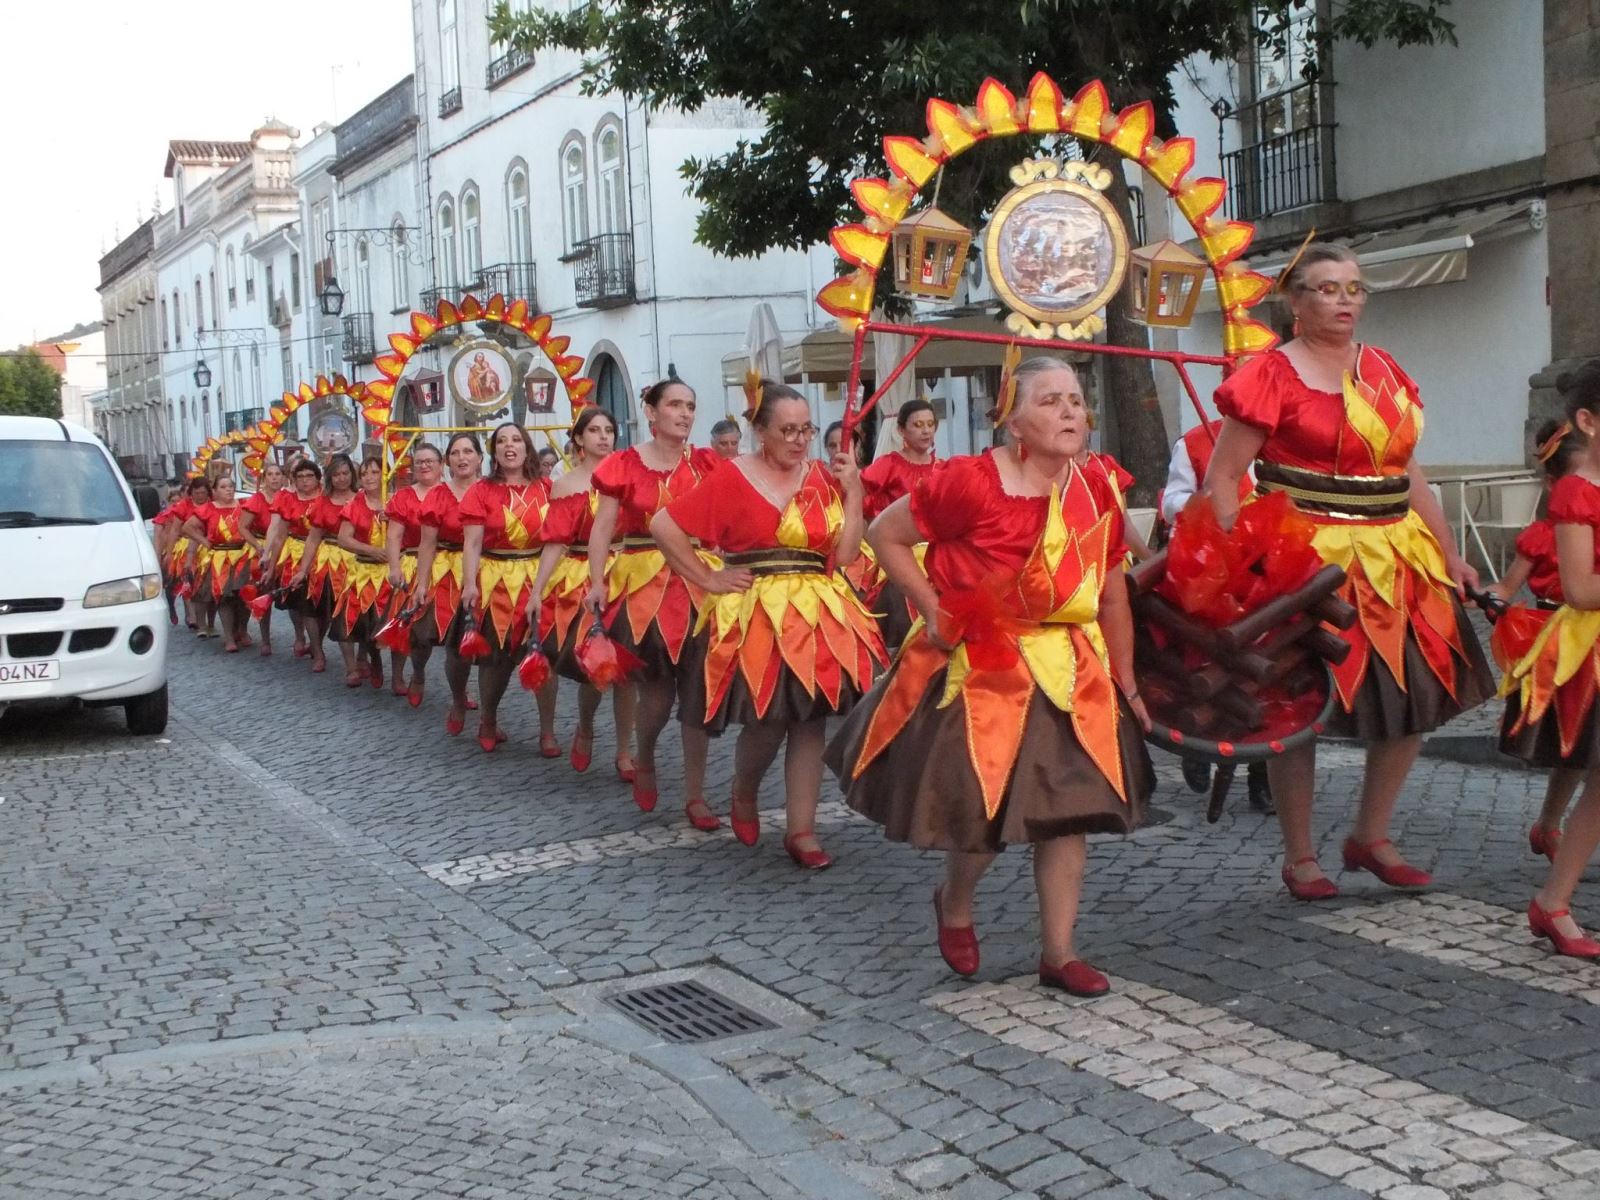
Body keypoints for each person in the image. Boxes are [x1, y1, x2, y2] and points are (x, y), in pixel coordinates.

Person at [827, 356, 1153, 996]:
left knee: (1070, 812)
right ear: (1012, 420)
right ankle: (954, 900)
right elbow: (888, 539)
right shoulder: (970, 482)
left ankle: (1059, 952)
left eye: (1075, 400)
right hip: (984, 671)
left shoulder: (1097, 490)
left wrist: (1129, 682)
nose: (1069, 411)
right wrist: (933, 607)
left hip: (1071, 674)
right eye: (1050, 400)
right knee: (983, 811)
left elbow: (1112, 595)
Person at [1204, 244, 1493, 901]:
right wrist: (1246, 562)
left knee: (1414, 699)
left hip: (1398, 557)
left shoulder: (1385, 369)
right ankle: (1300, 856)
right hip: (1309, 561)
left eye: (1354, 288)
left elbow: (1407, 470)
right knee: (1297, 706)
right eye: (1328, 288)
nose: (1345, 300)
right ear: (1295, 301)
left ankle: (1371, 834)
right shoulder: (1270, 374)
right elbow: (1224, 479)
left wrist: (1449, 553)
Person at [653, 382, 886, 865]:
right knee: (767, 718)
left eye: (806, 429)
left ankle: (802, 831)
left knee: (810, 720)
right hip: (755, 613)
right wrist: (707, 577)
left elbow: (844, 555)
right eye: (787, 430)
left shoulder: (825, 477)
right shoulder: (731, 477)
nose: (799, 440)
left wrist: (855, 492)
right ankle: (745, 788)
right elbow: (664, 526)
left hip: (817, 612)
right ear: (761, 432)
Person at [585, 378, 722, 821]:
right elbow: (603, 528)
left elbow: (724, 520)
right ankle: (644, 756)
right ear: (651, 411)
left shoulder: (707, 463)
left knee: (699, 692)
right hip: (644, 585)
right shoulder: (623, 464)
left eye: (691, 406)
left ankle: (696, 795)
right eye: (675, 405)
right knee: (659, 694)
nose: (684, 413)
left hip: (700, 583)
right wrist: (596, 582)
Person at [1501, 362, 1600, 957]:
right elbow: (1581, 589)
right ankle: (1554, 902)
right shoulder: (1576, 492)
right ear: (1587, 421)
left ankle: (1554, 901)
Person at [1158, 419, 1272, 812]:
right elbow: (1172, 500)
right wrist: (1205, 504)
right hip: (1212, 572)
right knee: (1208, 664)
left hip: (1269, 571)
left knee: (1265, 673)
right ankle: (1201, 749)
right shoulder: (1195, 440)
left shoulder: (1287, 440)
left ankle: (1263, 775)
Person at [526, 407, 637, 778]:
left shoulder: (631, 478)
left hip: (627, 575)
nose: (604, 437)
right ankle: (586, 725)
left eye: (609, 429)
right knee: (596, 667)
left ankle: (625, 751)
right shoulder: (567, 484)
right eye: (594, 430)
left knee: (627, 669)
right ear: (578, 439)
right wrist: (538, 589)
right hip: (581, 579)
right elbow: (555, 543)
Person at [1489, 419, 1580, 862]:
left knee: (1585, 747)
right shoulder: (1543, 535)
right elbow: (1508, 587)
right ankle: (1550, 824)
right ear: (1552, 483)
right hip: (1562, 647)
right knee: (1576, 746)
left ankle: (1551, 825)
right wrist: (1489, 599)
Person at [461, 423, 551, 752]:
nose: (509, 445)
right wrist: (470, 583)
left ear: (527, 448)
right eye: (501, 441)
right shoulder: (480, 492)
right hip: (494, 579)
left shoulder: (548, 489)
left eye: (516, 440)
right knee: (495, 660)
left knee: (543, 654)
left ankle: (548, 731)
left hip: (540, 579)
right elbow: (471, 544)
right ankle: (488, 718)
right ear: (494, 452)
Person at [412, 433, 484, 732]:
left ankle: (490, 714)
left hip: (491, 571)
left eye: (468, 451)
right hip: (449, 572)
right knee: (456, 644)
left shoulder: (492, 490)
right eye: (455, 452)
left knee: (494, 648)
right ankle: (457, 697)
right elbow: (427, 544)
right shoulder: (438, 496)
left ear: (480, 457)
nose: (462, 457)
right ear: (448, 461)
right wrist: (421, 583)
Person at [861, 398, 940, 649]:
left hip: (936, 555)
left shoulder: (943, 468)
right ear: (902, 430)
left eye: (930, 424)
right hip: (898, 551)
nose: (926, 430)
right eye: (918, 425)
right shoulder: (889, 465)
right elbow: (860, 496)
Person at [385, 443, 443, 703]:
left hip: (449, 566)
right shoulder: (403, 497)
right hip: (412, 563)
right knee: (410, 626)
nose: (425, 465)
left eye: (430, 460)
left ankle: (462, 691)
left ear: (441, 465)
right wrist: (395, 567)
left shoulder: (451, 493)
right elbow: (394, 535)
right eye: (419, 461)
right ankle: (408, 674)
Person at [293, 453, 359, 677]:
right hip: (326, 560)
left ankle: (361, 659)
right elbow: (313, 538)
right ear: (330, 477)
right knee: (314, 607)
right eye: (337, 474)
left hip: (356, 562)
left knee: (355, 611)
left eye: (345, 473)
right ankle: (318, 651)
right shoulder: (323, 502)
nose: (341, 478)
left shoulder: (362, 499)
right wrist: (303, 569)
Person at [180, 473, 260, 653]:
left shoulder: (243, 506)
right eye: (223, 487)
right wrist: (205, 541)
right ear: (215, 491)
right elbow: (187, 527)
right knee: (224, 599)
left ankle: (242, 630)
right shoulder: (208, 508)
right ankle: (229, 637)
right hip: (220, 558)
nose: (228, 490)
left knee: (244, 596)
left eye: (231, 486)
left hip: (241, 556)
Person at [331, 457, 392, 689]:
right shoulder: (355, 504)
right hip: (364, 571)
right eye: (364, 473)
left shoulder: (395, 501)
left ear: (385, 474)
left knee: (391, 622)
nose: (368, 477)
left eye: (374, 472)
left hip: (393, 570)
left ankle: (398, 675)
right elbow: (343, 539)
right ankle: (370, 661)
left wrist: (395, 519)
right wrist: (372, 551)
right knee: (363, 621)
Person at [261, 458, 324, 668]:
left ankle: (317, 642)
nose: (305, 481)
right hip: (295, 552)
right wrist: (269, 559)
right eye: (300, 477)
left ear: (318, 478)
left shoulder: (326, 498)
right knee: (298, 599)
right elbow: (278, 532)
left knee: (323, 603)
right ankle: (304, 639)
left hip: (325, 555)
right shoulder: (287, 499)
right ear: (294, 479)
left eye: (309, 476)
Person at [240, 462, 287, 656]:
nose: (275, 478)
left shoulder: (287, 497)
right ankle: (265, 638)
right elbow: (242, 527)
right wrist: (258, 546)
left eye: (278, 474)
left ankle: (302, 637)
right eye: (270, 474)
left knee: (291, 592)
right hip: (260, 547)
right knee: (263, 593)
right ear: (264, 478)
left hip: (286, 547)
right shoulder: (256, 500)